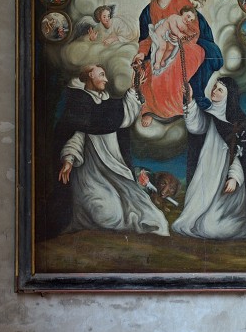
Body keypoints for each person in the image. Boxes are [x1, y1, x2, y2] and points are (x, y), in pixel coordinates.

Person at [47, 65, 169, 238]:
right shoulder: (79, 105)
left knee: (150, 215)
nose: (106, 79)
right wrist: (68, 160)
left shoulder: (107, 104)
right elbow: (76, 136)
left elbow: (124, 115)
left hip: (115, 172)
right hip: (91, 177)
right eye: (102, 75)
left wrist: (134, 89)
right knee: (108, 215)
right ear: (90, 75)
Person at [172, 78, 246, 242]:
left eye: (220, 90)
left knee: (210, 227)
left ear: (229, 96)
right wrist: (190, 100)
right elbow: (195, 126)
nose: (214, 91)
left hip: (228, 181)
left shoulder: (240, 123)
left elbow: (244, 155)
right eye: (214, 87)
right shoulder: (210, 116)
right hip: (208, 173)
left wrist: (234, 177)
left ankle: (239, 223)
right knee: (188, 223)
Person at [132, 0, 223, 127]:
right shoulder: (149, 10)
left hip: (187, 44)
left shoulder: (180, 1)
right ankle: (151, 110)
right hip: (161, 46)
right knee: (148, 69)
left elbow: (194, 29)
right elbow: (147, 38)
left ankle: (176, 108)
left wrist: (180, 40)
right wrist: (141, 53)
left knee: (174, 68)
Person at [147, 6, 199, 72]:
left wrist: (191, 35)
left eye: (191, 20)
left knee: (170, 48)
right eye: (188, 16)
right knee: (163, 46)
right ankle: (157, 62)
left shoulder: (184, 26)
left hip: (168, 38)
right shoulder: (174, 17)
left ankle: (162, 59)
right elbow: (173, 27)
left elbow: (187, 33)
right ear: (183, 12)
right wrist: (179, 34)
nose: (188, 20)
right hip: (160, 34)